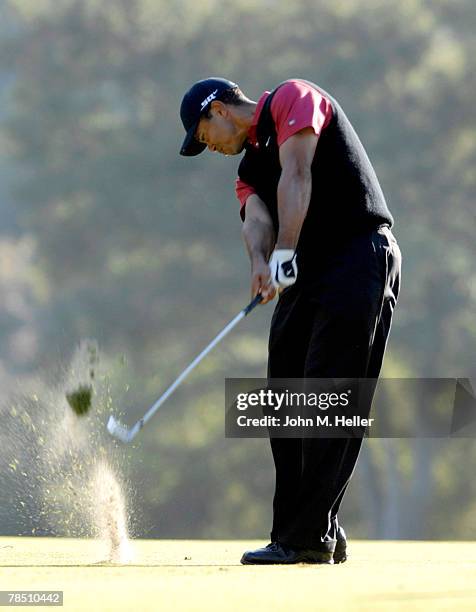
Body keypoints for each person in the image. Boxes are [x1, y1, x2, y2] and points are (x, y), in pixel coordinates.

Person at [179, 77, 402, 565]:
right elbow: (255, 218)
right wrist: (262, 262)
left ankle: (307, 538)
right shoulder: (246, 168)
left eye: (202, 136)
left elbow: (297, 173)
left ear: (217, 110)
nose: (209, 147)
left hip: (358, 253)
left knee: (328, 391)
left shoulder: (293, 99)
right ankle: (312, 526)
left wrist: (284, 251)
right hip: (306, 268)